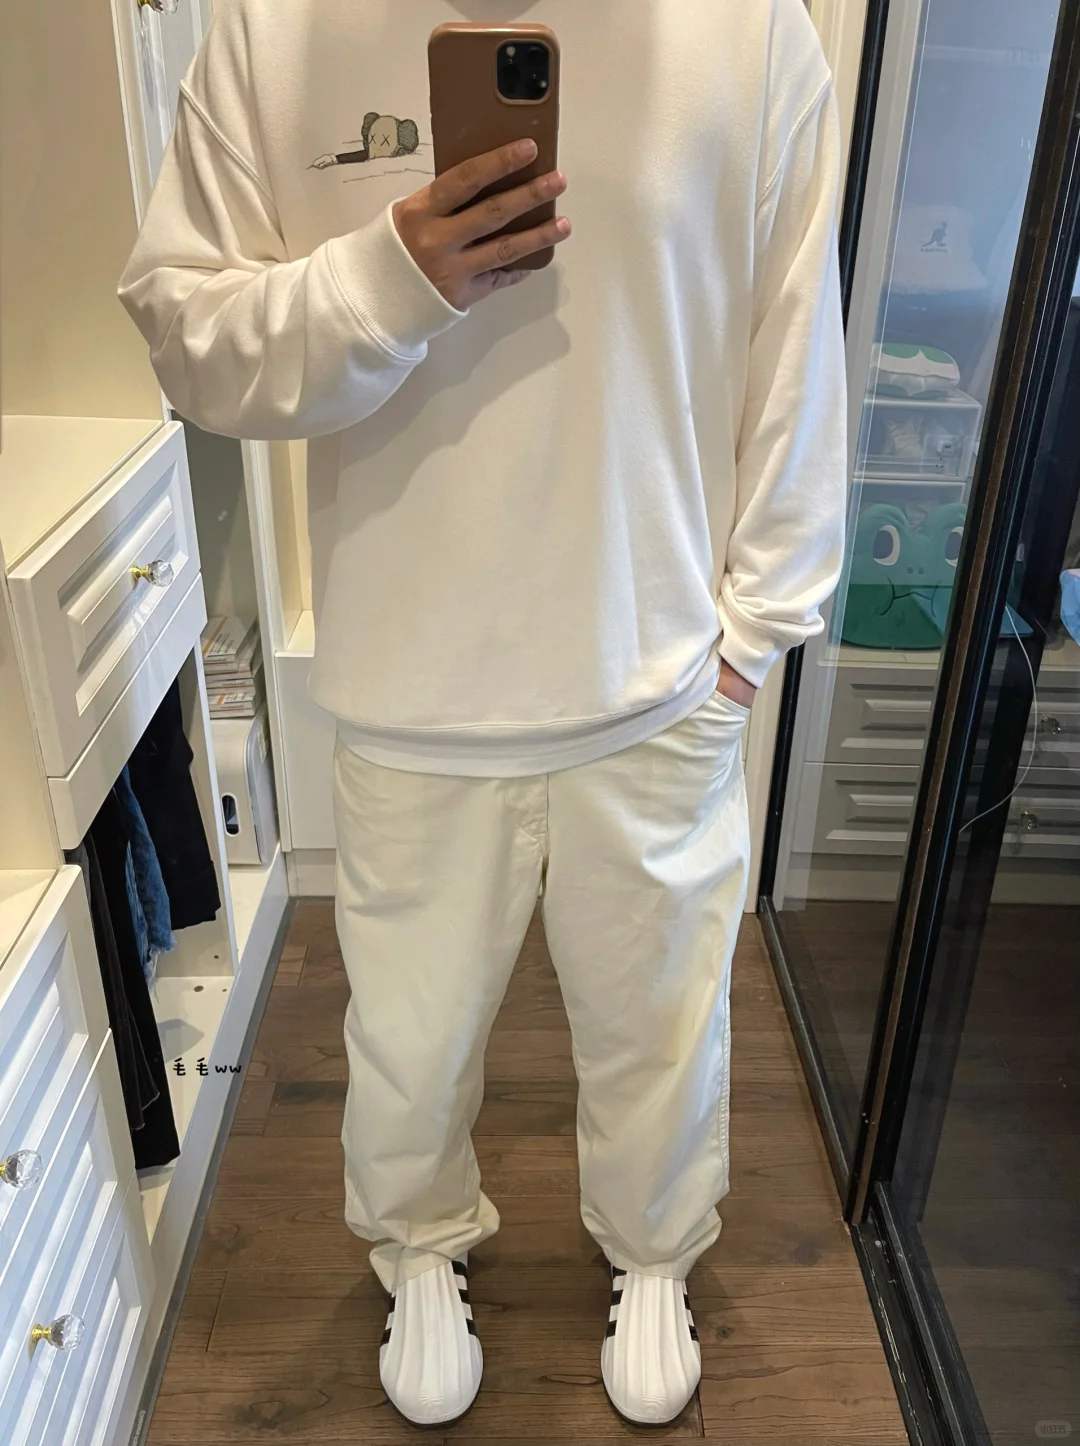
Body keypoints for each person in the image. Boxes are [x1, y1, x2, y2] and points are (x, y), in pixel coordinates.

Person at [120, 0, 846, 1428]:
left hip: (659, 672)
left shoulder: (752, 29)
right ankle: (418, 1244)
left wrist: (757, 636)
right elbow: (186, 332)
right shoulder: (271, 29)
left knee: (662, 1024)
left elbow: (793, 345)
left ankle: (653, 1249)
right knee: (409, 1040)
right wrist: (385, 279)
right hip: (413, 680)